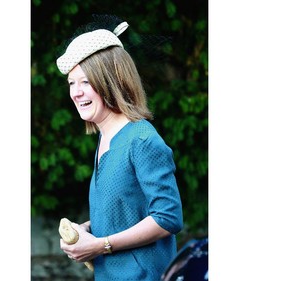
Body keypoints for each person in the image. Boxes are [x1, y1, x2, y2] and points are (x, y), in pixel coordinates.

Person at [56, 15, 183, 281]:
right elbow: (125, 210)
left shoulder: (142, 140)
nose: (75, 92)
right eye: (71, 83)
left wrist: (100, 245)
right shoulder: (105, 138)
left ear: (111, 81)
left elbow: (167, 217)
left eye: (85, 82)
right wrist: (86, 232)